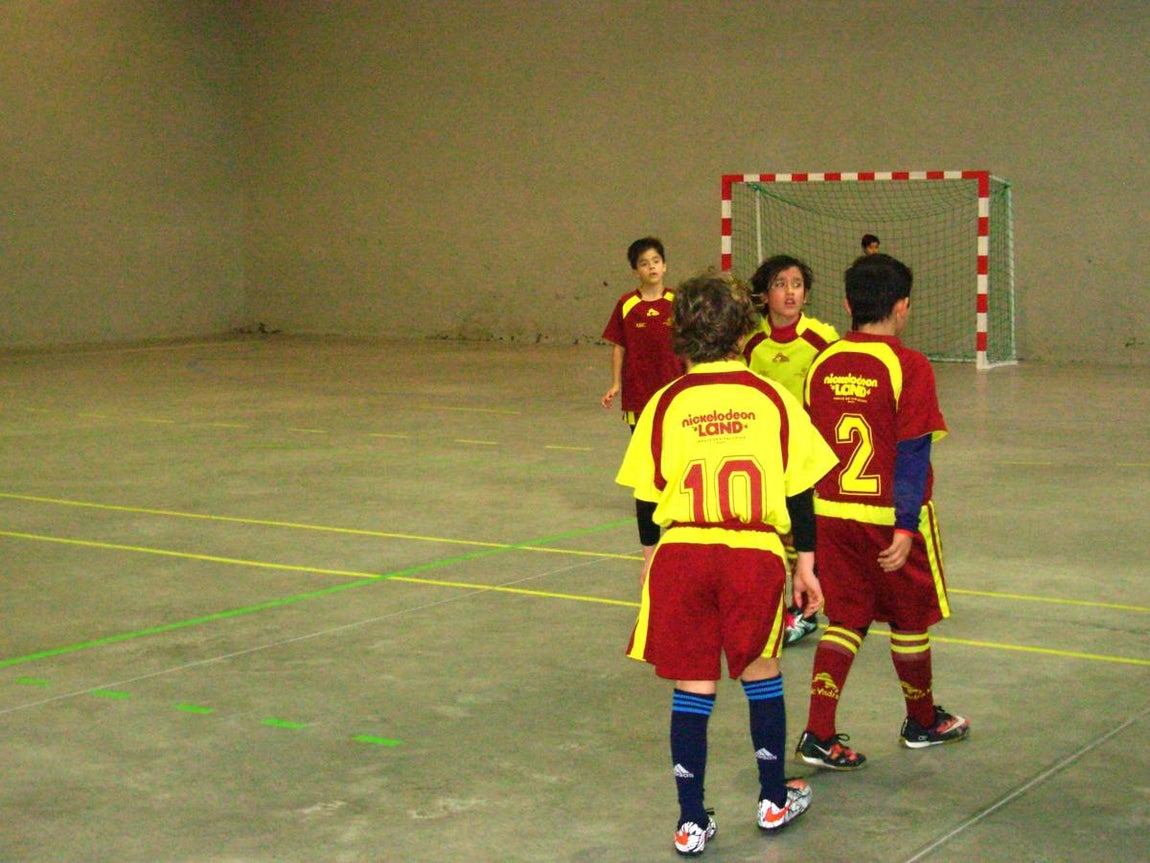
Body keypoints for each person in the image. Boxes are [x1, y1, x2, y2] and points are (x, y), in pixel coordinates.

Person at [617, 270, 838, 855]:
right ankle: (771, 798)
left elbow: (645, 496)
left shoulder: (665, 403)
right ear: (745, 328)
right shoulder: (772, 398)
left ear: (679, 334)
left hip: (682, 553)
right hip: (751, 553)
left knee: (693, 683)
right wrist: (807, 565)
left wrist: (649, 561)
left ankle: (691, 820)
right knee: (760, 672)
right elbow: (800, 492)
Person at [794, 253, 970, 773]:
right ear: (902, 307)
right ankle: (921, 721)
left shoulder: (821, 363)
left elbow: (805, 453)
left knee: (845, 618)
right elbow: (914, 452)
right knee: (910, 618)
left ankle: (818, 733)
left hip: (830, 515)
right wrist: (905, 524)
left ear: (847, 304)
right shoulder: (908, 365)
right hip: (886, 517)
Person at [744, 255, 839, 647]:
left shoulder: (822, 338)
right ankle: (784, 609)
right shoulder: (750, 343)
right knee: (773, 535)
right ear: (765, 295)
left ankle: (809, 606)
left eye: (797, 284)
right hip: (765, 456)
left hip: (807, 455)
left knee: (809, 533)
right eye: (780, 284)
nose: (789, 292)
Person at [601, 237, 685, 583]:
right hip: (639, 399)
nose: (651, 267)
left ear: (664, 265)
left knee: (678, 462)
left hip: (675, 398)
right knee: (649, 469)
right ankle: (651, 549)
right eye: (644, 263)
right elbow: (618, 347)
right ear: (635, 271)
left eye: (656, 261)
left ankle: (678, 527)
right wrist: (616, 384)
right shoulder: (626, 305)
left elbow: (689, 345)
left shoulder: (677, 303)